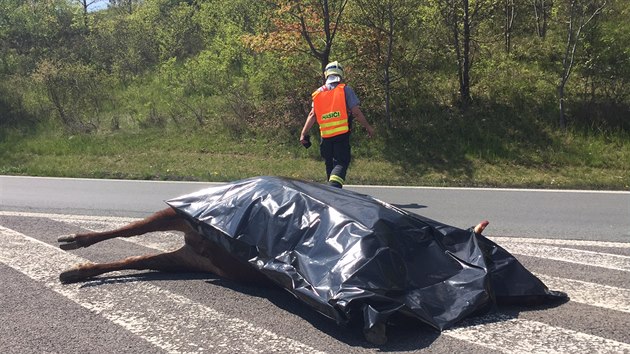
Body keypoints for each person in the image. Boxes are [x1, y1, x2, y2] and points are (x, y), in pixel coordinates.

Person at [299, 61, 375, 188]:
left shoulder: (318, 93)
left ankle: (331, 193)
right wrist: (368, 127)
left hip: (325, 137)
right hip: (341, 135)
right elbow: (356, 112)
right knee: (341, 163)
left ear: (326, 75)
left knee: (330, 164)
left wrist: (303, 134)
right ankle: (334, 188)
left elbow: (312, 115)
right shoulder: (345, 90)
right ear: (341, 74)